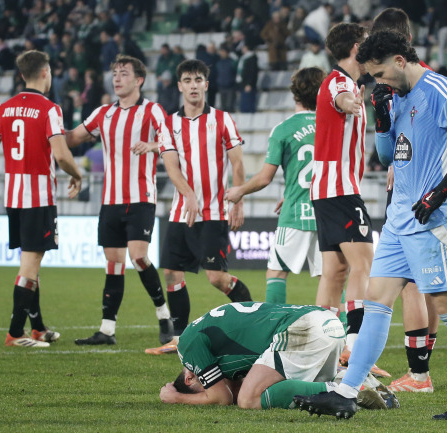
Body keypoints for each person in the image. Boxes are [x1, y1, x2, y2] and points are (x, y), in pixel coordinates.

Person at [294, 30, 447, 421]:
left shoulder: (439, 89)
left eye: (381, 73)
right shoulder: (395, 95)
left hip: (432, 220)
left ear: (400, 61)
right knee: (376, 304)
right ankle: (346, 391)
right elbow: (387, 156)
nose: (377, 82)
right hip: (400, 220)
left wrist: (442, 189)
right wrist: (382, 120)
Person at [0, 50, 83, 348]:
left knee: (31, 259)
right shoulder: (49, 109)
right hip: (38, 197)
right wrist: (77, 175)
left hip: (13, 196)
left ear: (21, 75)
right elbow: (61, 154)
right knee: (30, 263)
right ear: (44, 73)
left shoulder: (4, 108)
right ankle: (16, 332)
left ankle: (38, 327)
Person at [145, 59, 252, 356]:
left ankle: (253, 320)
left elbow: (238, 162)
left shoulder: (222, 118)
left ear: (206, 84)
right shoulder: (169, 123)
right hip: (182, 211)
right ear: (179, 86)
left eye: (198, 80)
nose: (193, 85)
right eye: (188, 80)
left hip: (215, 212)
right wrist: (188, 194)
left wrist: (238, 200)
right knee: (171, 273)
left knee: (217, 278)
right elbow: (170, 164)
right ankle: (178, 338)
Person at [66, 55, 174, 347]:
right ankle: (107, 329)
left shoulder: (152, 111)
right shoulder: (104, 114)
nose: (117, 78)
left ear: (139, 80)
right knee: (113, 263)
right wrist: (49, 130)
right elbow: (74, 137)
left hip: (140, 198)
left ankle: (165, 317)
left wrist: (152, 145)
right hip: (110, 201)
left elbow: (173, 141)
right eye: (114, 73)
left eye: (124, 73)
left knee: (138, 256)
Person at [308, 23, 383, 377]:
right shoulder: (341, 82)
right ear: (357, 48)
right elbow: (340, 97)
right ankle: (353, 349)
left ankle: (319, 348)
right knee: (364, 265)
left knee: (335, 270)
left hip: (325, 190)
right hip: (339, 190)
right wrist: (350, 102)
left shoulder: (340, 82)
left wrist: (352, 100)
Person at [370, 6, 438, 393]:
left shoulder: (399, 81)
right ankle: (422, 365)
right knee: (432, 285)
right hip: (428, 187)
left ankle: (418, 375)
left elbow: (397, 138)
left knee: (409, 283)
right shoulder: (428, 75)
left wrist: (398, 160)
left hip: (410, 190)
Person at [158, 302, 397, 410]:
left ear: (190, 377)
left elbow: (220, 397)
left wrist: (176, 398)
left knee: (248, 400)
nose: (212, 387)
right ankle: (353, 382)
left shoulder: (187, 346)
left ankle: (347, 390)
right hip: (326, 322)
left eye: (204, 389)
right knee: (297, 385)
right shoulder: (217, 347)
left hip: (302, 329)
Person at [225, 67, 324, 303]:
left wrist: (240, 190)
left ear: (294, 94)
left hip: (295, 214)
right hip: (326, 213)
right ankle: (339, 334)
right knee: (331, 277)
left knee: (277, 273)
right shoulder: (332, 128)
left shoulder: (283, 129)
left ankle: (274, 329)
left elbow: (264, 178)